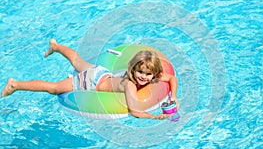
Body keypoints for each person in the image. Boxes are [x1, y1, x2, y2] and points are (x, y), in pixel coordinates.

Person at [1, 39, 179, 120]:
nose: (143, 77)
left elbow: (171, 78)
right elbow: (135, 112)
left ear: (154, 74)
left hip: (101, 72)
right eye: (140, 72)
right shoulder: (130, 85)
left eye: (148, 74)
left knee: (79, 62)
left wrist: (175, 96)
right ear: (133, 69)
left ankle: (56, 46)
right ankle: (15, 84)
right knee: (54, 88)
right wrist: (155, 117)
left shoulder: (150, 77)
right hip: (91, 82)